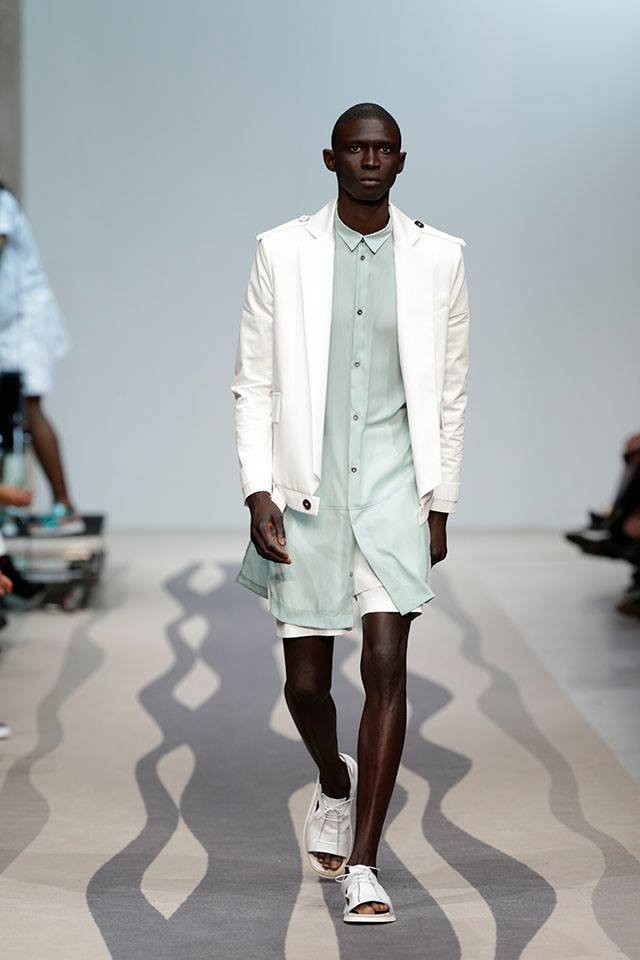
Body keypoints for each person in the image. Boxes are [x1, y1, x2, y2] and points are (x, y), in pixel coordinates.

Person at [230, 103, 470, 923]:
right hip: (309, 489)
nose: (371, 159)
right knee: (305, 684)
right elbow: (254, 382)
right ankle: (334, 780)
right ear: (330, 159)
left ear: (401, 160)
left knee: (386, 666)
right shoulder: (280, 251)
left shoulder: (441, 258)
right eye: (356, 148)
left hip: (396, 489)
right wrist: (258, 490)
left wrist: (441, 501)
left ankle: (365, 861)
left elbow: (451, 393)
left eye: (384, 148)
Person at [0, 181, 84, 535]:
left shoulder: (1, 201)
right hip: (9, 326)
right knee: (13, 414)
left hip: (25, 325)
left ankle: (65, 506)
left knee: (30, 411)